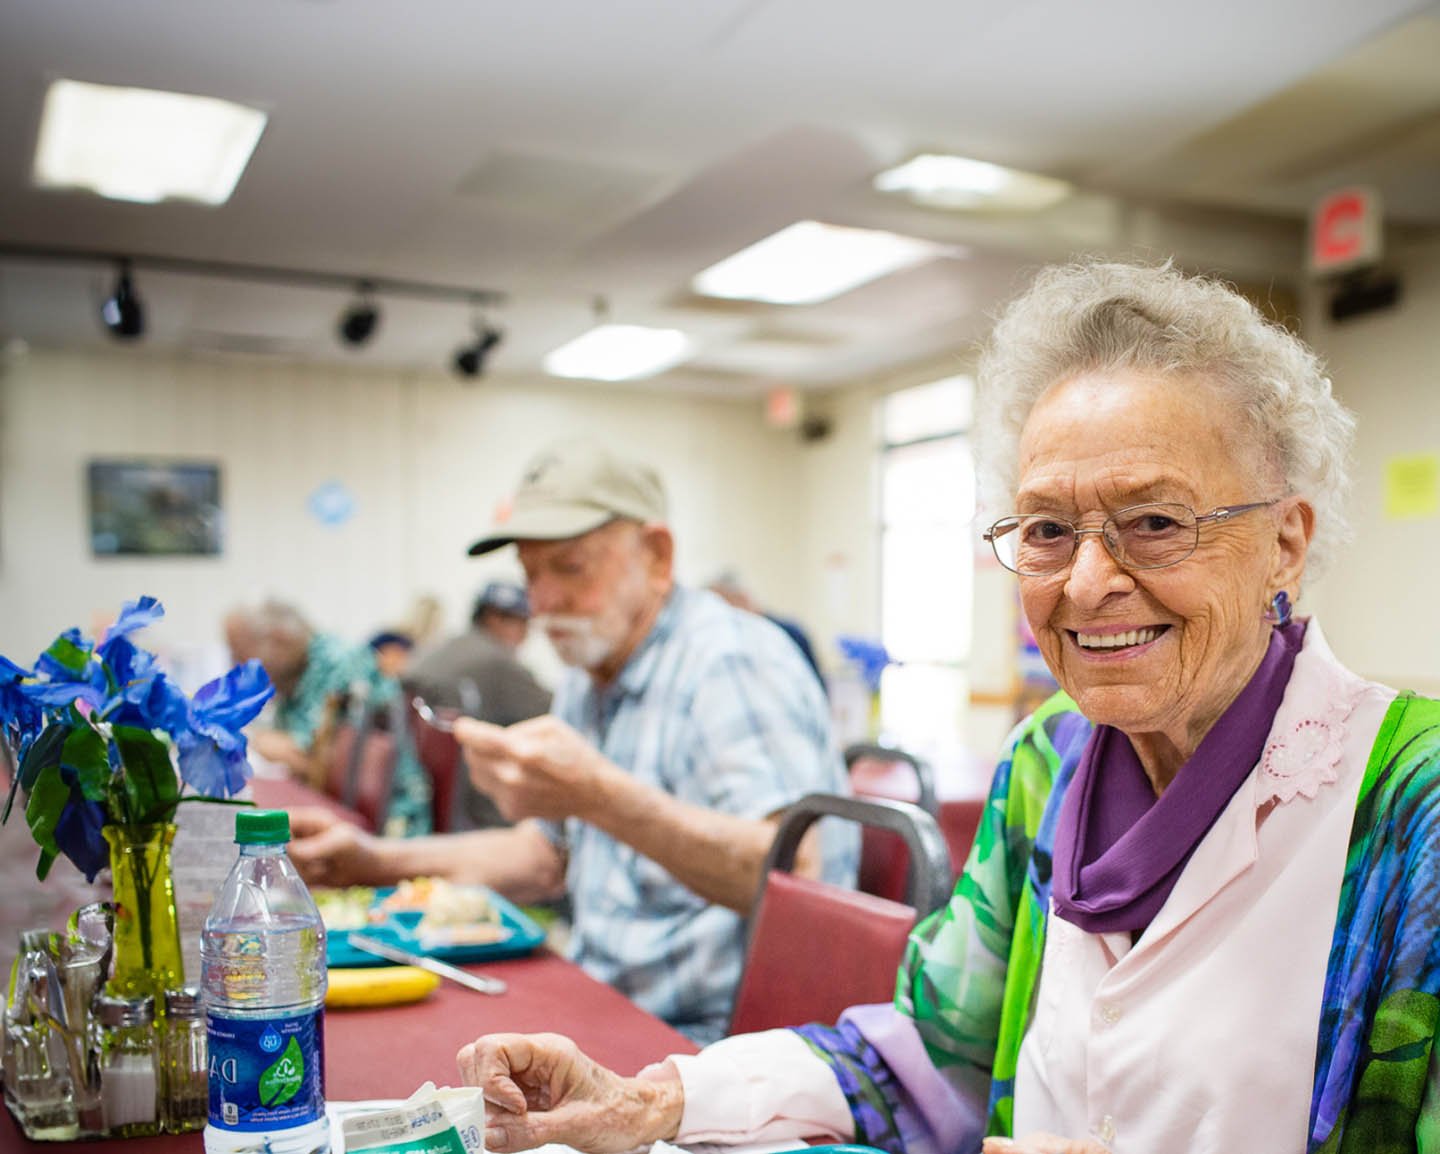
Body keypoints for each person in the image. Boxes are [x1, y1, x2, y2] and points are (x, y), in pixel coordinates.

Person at [451, 261, 1440, 1154]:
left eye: (1154, 521)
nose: (1088, 582)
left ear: (1286, 541)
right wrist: (655, 1098)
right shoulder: (1047, 761)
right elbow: (929, 1051)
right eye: (1048, 527)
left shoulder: (1412, 800)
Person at [288, 441, 856, 1043]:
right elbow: (544, 855)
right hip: (604, 1003)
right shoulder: (591, 673)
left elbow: (796, 875)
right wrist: (370, 861)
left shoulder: (728, 661)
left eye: (570, 567)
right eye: (531, 574)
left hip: (717, 1042)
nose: (543, 602)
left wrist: (597, 795)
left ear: (658, 556)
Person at [241, 600, 432, 836]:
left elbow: (313, 763)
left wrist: (247, 737)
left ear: (278, 638)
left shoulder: (339, 662)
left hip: (393, 828)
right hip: (344, 816)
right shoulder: (293, 677)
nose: (239, 669)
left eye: (240, 655)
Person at [405, 581, 552, 831]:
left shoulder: (446, 647)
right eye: (523, 623)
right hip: (476, 806)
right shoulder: (497, 663)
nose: (526, 635)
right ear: (496, 619)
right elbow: (559, 715)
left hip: (425, 794)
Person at [707, 571, 826, 691]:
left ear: (743, 598)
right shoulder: (731, 638)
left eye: (723, 605)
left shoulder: (787, 633)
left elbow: (814, 683)